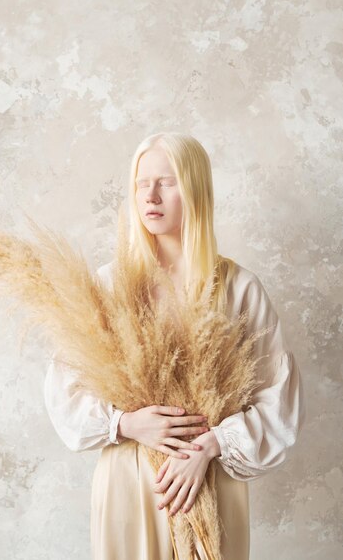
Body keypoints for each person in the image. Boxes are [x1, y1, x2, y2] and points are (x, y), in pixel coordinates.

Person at [44, 132, 306, 560]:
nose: (150, 195)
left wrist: (208, 447)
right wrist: (127, 424)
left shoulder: (238, 288)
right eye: (140, 183)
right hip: (128, 483)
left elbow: (279, 402)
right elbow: (64, 391)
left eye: (166, 182)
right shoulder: (109, 285)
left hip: (209, 482)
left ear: (195, 189)